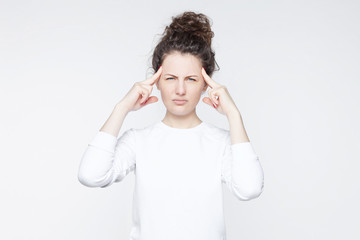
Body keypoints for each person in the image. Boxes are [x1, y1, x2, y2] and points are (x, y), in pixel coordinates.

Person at [78, 11, 264, 240]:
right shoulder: (138, 141)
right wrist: (121, 108)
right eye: (171, 78)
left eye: (191, 79)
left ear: (206, 85)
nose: (180, 90)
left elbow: (250, 188)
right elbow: (90, 175)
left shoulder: (222, 143)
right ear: (156, 81)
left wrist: (234, 115)